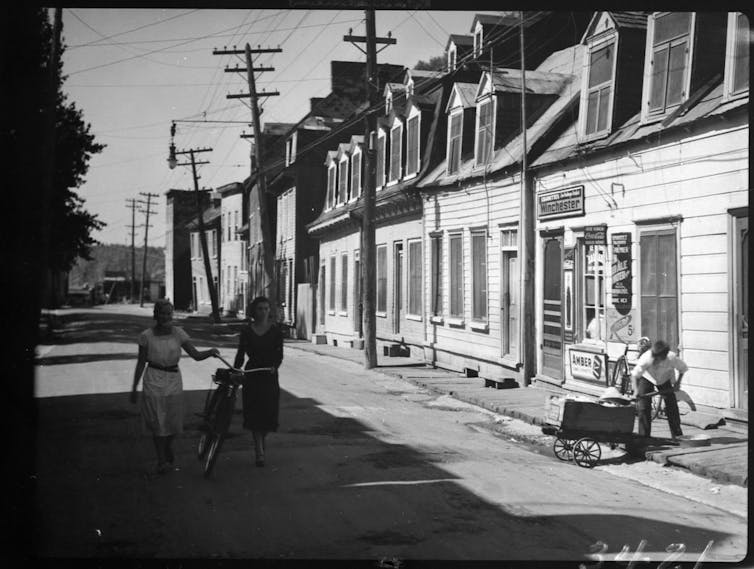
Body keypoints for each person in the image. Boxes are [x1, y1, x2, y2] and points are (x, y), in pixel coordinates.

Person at [131, 299, 219, 474]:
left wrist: (210, 352)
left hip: (173, 379)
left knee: (172, 420)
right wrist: (134, 387)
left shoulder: (179, 333)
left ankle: (166, 447)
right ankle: (162, 460)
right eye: (162, 313)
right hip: (153, 379)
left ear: (172, 315)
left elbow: (195, 355)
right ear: (156, 315)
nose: (165, 316)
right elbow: (141, 363)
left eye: (168, 313)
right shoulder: (146, 336)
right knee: (157, 421)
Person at [233, 296, 284, 467]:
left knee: (269, 412)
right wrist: (236, 369)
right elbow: (240, 354)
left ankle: (262, 440)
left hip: (269, 375)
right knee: (254, 412)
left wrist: (274, 366)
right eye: (260, 308)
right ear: (254, 311)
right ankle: (259, 450)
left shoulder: (276, 331)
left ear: (270, 311)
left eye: (266, 308)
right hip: (252, 374)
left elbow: (279, 354)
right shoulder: (247, 331)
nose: (263, 311)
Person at [630, 339, 688, 439]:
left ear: (664, 356)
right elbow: (634, 375)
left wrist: (678, 383)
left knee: (672, 406)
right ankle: (644, 437)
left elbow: (683, 369)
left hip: (665, 379)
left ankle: (677, 435)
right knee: (643, 407)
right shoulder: (646, 358)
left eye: (658, 358)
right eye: (655, 358)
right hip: (647, 377)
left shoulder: (672, 357)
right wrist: (635, 391)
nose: (656, 360)